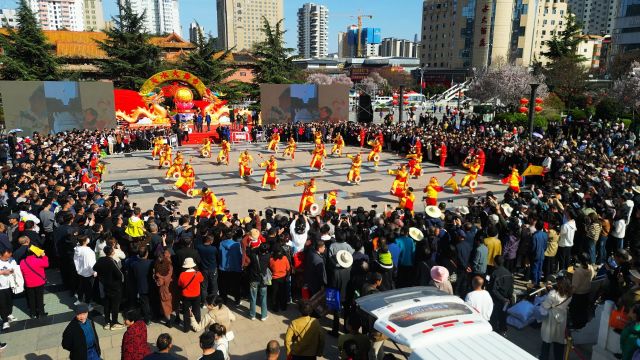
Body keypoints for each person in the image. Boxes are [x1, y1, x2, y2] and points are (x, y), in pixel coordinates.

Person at [539, 277, 572, 360]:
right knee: (559, 340)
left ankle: (544, 357)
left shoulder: (553, 294)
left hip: (551, 318)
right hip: (562, 317)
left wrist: (548, 291)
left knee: (547, 339)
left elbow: (545, 306)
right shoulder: (569, 294)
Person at [93, 245, 124, 330]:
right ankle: (114, 323)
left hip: (105, 285)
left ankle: (107, 322)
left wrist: (101, 276)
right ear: (112, 252)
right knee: (115, 305)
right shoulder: (112, 261)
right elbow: (119, 274)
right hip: (114, 287)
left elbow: (94, 268)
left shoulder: (100, 260)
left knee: (106, 304)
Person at [19, 245, 49, 318]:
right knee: (39, 298)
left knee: (31, 298)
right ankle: (41, 313)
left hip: (28, 284)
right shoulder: (38, 261)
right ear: (34, 253)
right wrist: (44, 256)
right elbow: (47, 264)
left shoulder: (22, 262)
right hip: (39, 282)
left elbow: (22, 272)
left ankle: (33, 313)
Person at [488, 255, 513, 335]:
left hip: (497, 300)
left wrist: (502, 298)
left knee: (494, 316)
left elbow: (493, 289)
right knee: (503, 315)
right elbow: (511, 288)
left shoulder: (495, 273)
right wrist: (508, 298)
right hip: (506, 299)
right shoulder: (509, 273)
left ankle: (494, 332)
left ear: (495, 263)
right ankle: (503, 330)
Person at [569, 253, 595, 329]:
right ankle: (582, 325)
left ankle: (576, 325)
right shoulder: (591, 268)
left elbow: (574, 287)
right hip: (587, 293)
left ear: (579, 261)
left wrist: (568, 294)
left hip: (578, 295)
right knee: (583, 311)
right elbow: (593, 277)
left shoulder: (578, 271)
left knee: (575, 311)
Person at [178, 257, 204, 332]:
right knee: (196, 311)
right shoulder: (198, 273)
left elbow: (179, 284)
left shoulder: (182, 275)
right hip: (196, 295)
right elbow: (201, 280)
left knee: (186, 312)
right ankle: (196, 326)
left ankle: (186, 328)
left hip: (186, 296)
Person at [248, 243, 270, 321]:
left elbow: (250, 251)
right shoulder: (268, 256)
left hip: (253, 279)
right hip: (263, 280)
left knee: (253, 297)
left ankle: (252, 315)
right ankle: (263, 315)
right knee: (263, 297)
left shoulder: (254, 256)